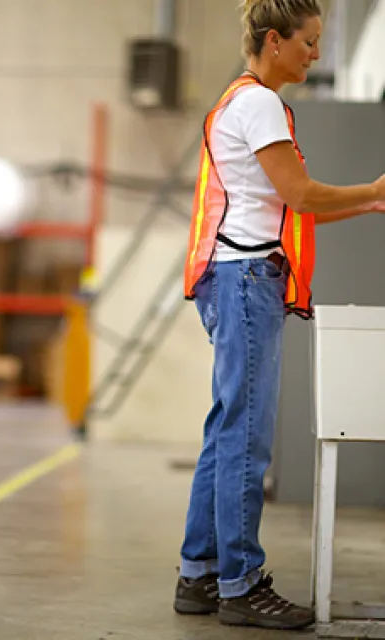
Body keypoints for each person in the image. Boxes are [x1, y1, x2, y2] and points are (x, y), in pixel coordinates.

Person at [174, 0, 385, 631]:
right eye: (310, 42)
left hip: (234, 278)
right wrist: (373, 191)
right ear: (274, 41)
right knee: (246, 437)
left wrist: (372, 205)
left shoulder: (241, 100)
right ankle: (239, 584)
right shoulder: (259, 104)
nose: (316, 54)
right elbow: (300, 194)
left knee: (226, 430)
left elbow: (298, 207)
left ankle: (200, 574)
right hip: (245, 281)